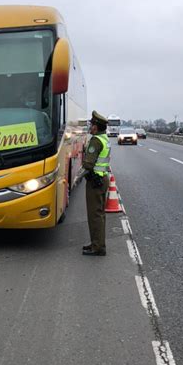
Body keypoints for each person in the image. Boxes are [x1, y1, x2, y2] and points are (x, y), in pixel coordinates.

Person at [82, 110, 111, 256]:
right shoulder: (104, 138)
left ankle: (98, 247)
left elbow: (88, 164)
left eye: (92, 124)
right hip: (102, 179)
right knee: (99, 214)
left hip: (95, 181)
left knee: (94, 215)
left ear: (97, 127)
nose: (90, 126)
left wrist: (84, 156)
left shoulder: (95, 141)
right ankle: (97, 243)